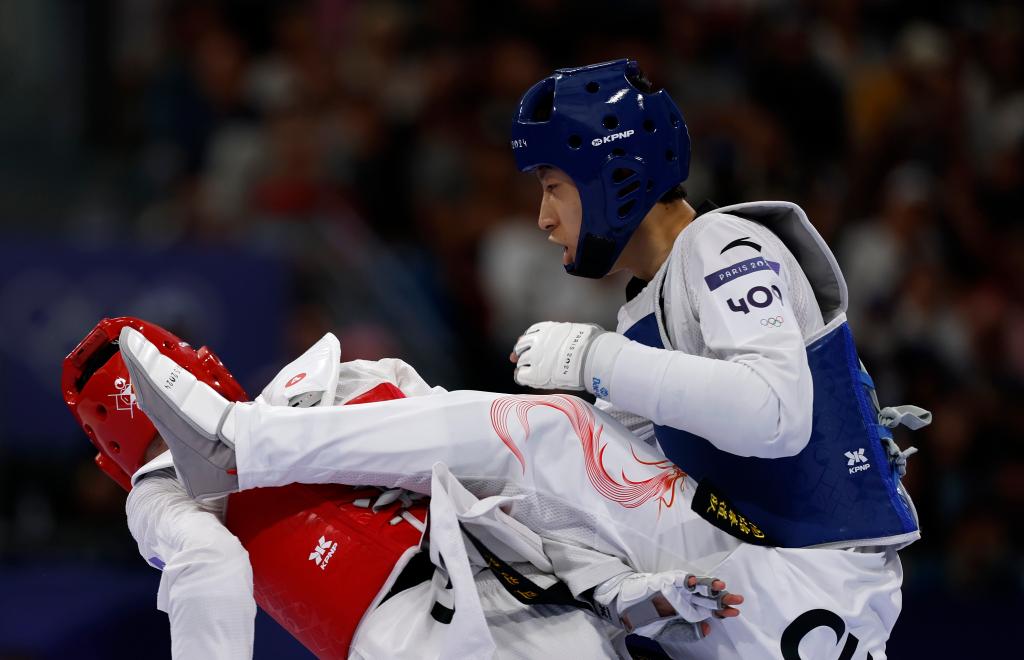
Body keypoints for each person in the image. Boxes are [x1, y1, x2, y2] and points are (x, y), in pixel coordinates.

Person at [118, 321, 914, 659]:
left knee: (550, 433)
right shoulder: (163, 501)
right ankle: (241, 444)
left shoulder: (355, 382)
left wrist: (635, 597)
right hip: (445, 617)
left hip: (518, 604)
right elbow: (210, 574)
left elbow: (534, 531)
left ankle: (241, 443)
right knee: (551, 433)